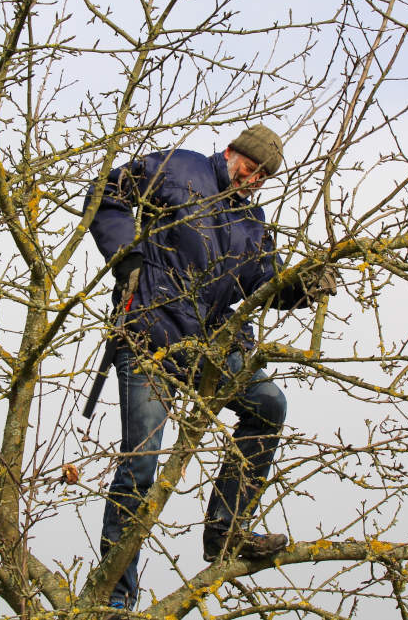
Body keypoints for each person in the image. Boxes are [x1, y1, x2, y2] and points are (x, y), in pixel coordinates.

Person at [84, 124, 336, 612]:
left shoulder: (251, 220)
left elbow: (266, 284)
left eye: (264, 174)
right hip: (149, 336)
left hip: (212, 347)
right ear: (232, 153)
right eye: (251, 166)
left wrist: (305, 285)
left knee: (268, 405)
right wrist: (128, 253)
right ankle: (114, 600)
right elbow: (107, 192)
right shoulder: (178, 167)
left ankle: (227, 531)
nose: (255, 177)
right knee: (140, 467)